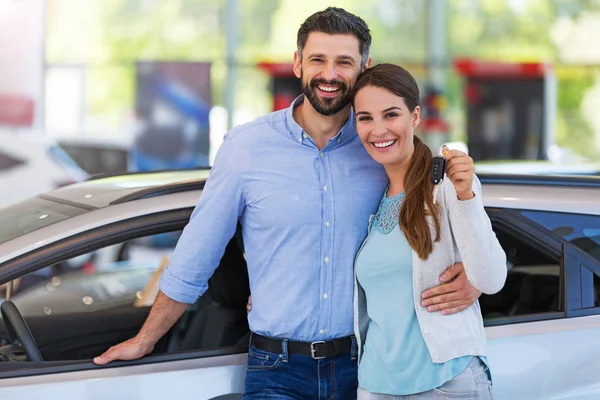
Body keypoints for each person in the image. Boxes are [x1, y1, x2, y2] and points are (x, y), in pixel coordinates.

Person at [94, 7, 483, 399]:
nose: (329, 74)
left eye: (344, 62)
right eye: (318, 59)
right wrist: (145, 340)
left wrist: (475, 279)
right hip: (275, 369)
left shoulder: (381, 147)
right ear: (298, 63)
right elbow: (196, 255)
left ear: (364, 68)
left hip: (365, 366)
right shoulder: (246, 148)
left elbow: (447, 223)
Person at [350, 63, 507, 400]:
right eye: (365, 117)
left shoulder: (448, 184)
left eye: (391, 114)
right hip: (375, 385)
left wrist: (467, 196)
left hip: (447, 384)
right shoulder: (368, 198)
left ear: (415, 116)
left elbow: (492, 279)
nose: (378, 130)